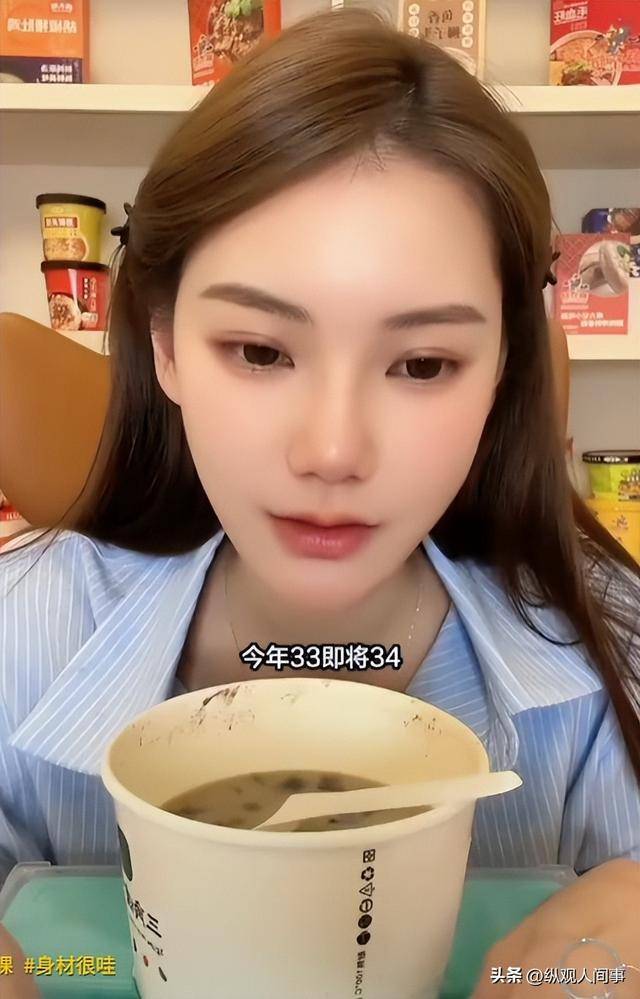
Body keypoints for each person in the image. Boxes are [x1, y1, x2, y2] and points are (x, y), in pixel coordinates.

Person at [1, 9, 639, 997]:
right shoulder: (22, 632)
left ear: (502, 370)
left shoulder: (608, 646)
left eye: (421, 364)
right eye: (260, 351)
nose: (333, 452)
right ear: (164, 345)